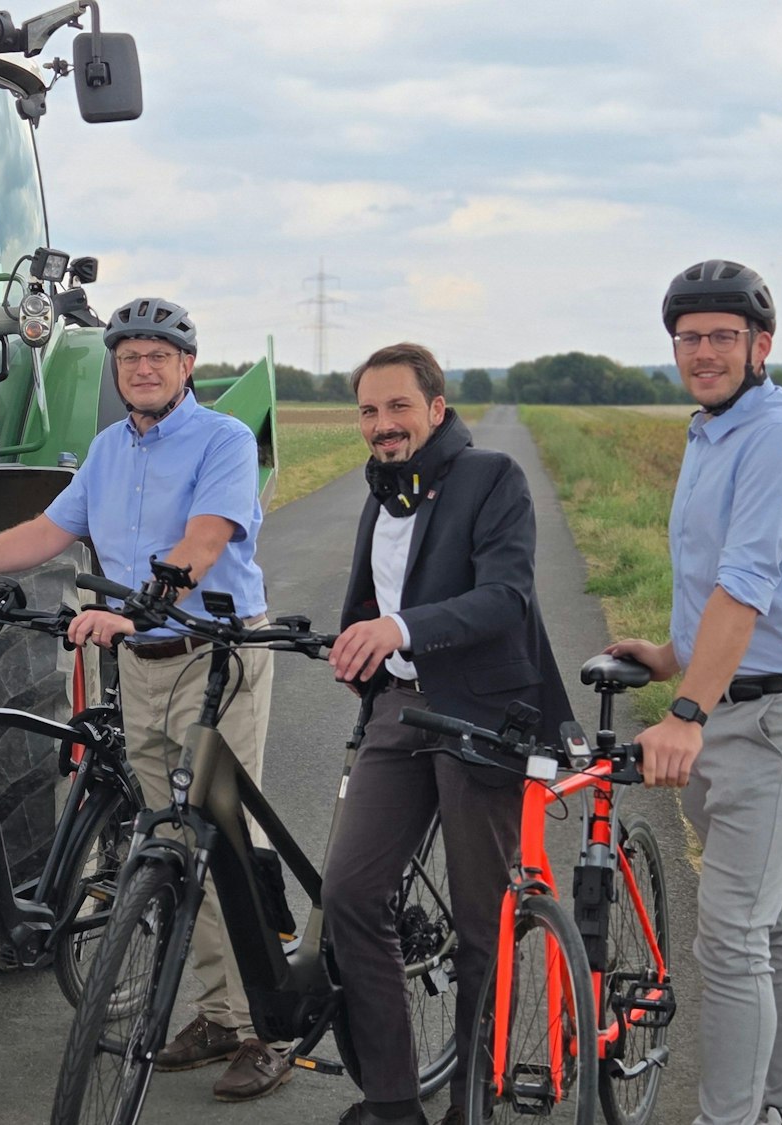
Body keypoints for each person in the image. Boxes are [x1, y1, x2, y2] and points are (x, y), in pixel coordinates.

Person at [0, 297, 290, 1102]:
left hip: (214, 655)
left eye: (160, 354)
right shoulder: (108, 448)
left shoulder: (222, 439)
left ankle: (266, 1028)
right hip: (143, 663)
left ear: (187, 367)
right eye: (130, 357)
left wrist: (137, 605)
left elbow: (205, 540)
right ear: (116, 370)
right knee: (170, 843)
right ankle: (220, 1014)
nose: (143, 367)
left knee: (222, 836)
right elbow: (51, 530)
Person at [608, 260, 782, 1125]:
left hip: (780, 719)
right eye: (689, 337)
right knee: (777, 926)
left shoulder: (781, 435)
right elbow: (716, 576)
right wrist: (676, 655)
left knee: (733, 939)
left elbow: (747, 586)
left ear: (762, 346)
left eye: (722, 337)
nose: (704, 352)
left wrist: (683, 713)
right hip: (738, 704)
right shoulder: (712, 431)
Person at [320, 343, 572, 1125]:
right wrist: (359, 647)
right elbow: (372, 601)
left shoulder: (491, 478)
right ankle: (394, 1098)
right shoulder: (382, 491)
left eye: (398, 406)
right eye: (368, 410)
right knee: (351, 894)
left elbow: (505, 597)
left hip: (483, 713)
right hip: (400, 709)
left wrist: (400, 626)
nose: (382, 424)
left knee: (479, 920)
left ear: (436, 407)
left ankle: (474, 1100)